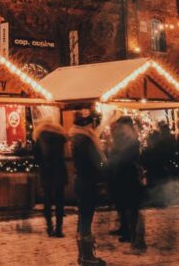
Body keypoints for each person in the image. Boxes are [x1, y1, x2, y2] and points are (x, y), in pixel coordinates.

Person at [70, 110, 106, 265]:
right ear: (88, 125)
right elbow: (97, 163)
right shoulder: (86, 140)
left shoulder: (76, 139)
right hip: (88, 182)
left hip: (80, 180)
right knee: (86, 218)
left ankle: (82, 254)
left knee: (82, 217)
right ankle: (87, 256)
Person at [108, 116, 145, 250]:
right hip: (121, 176)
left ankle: (133, 235)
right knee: (123, 205)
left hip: (128, 176)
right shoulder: (123, 139)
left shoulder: (132, 140)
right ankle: (126, 230)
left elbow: (124, 158)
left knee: (131, 207)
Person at [32, 116, 68, 238]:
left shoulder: (40, 138)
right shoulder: (60, 137)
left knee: (47, 201)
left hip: (46, 172)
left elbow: (36, 157)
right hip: (59, 171)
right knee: (59, 201)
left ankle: (49, 228)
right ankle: (59, 229)